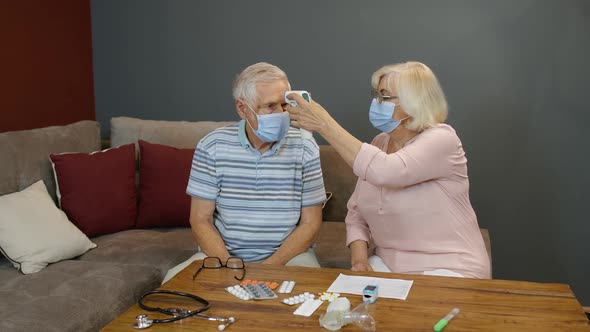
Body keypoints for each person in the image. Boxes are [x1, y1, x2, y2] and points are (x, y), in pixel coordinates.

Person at [285, 61, 490, 278]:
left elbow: (387, 172)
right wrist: (359, 260)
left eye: (384, 96)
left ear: (414, 102)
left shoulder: (442, 139)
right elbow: (356, 212)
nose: (376, 102)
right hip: (389, 264)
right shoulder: (380, 143)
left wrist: (324, 124)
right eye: (376, 95)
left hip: (449, 265)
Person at [162, 62, 326, 283]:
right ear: (242, 108)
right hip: (220, 257)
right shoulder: (212, 146)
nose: (281, 113)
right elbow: (201, 219)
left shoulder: (306, 146)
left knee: (312, 298)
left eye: (284, 105)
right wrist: (231, 267)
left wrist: (268, 268)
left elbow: (311, 224)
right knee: (172, 287)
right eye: (269, 106)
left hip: (289, 258)